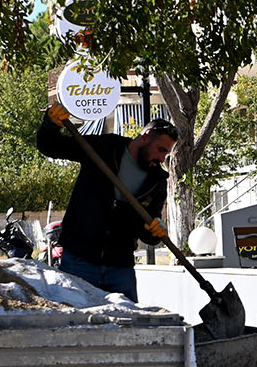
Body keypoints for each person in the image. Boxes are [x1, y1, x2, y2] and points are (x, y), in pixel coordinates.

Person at [36, 100, 180, 300]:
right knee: (77, 322)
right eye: (161, 149)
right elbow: (51, 146)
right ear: (146, 137)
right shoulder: (105, 148)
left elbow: (148, 230)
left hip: (120, 268)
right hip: (79, 260)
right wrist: (51, 124)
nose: (162, 158)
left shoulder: (156, 181)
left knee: (129, 325)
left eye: (166, 153)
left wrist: (155, 231)